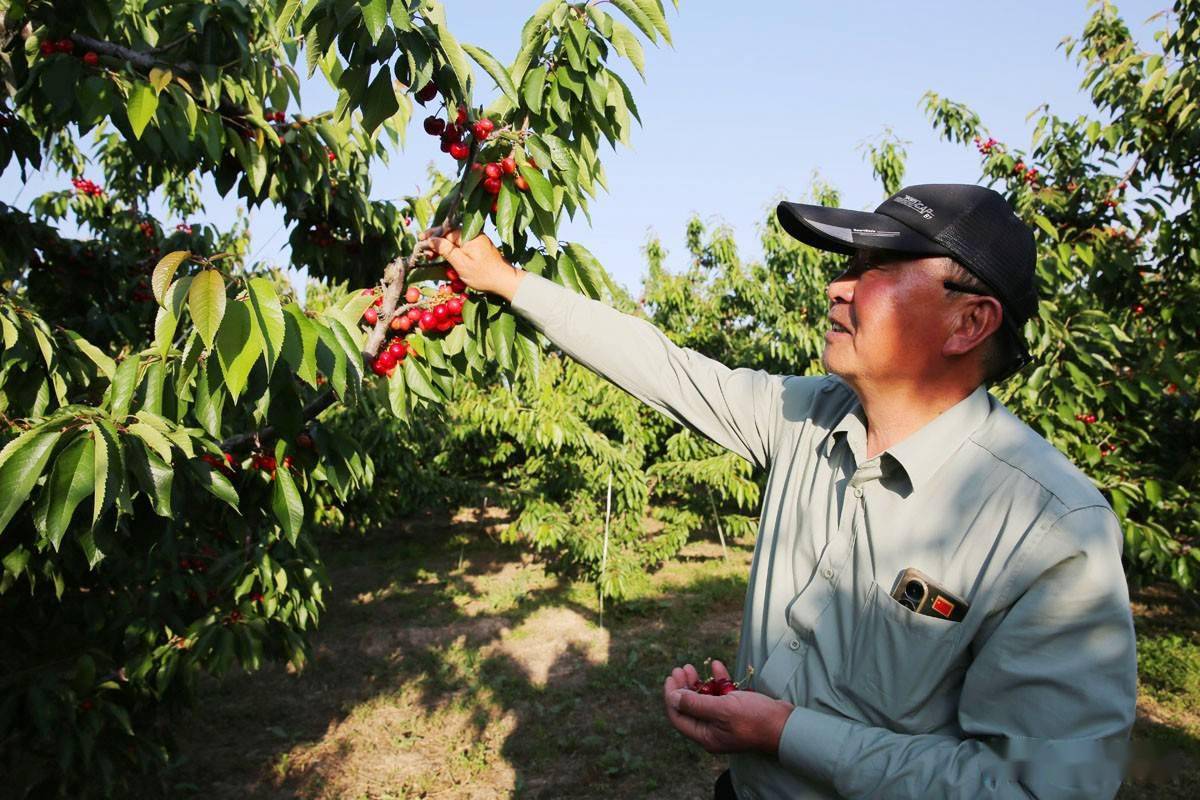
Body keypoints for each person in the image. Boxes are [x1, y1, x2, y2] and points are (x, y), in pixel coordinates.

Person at [419, 183, 1136, 799]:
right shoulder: (804, 417)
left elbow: (1034, 788)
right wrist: (512, 284)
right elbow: (667, 371)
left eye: (879, 268)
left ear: (970, 321)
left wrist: (784, 731)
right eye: (849, 264)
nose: (837, 285)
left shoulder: (1049, 529)